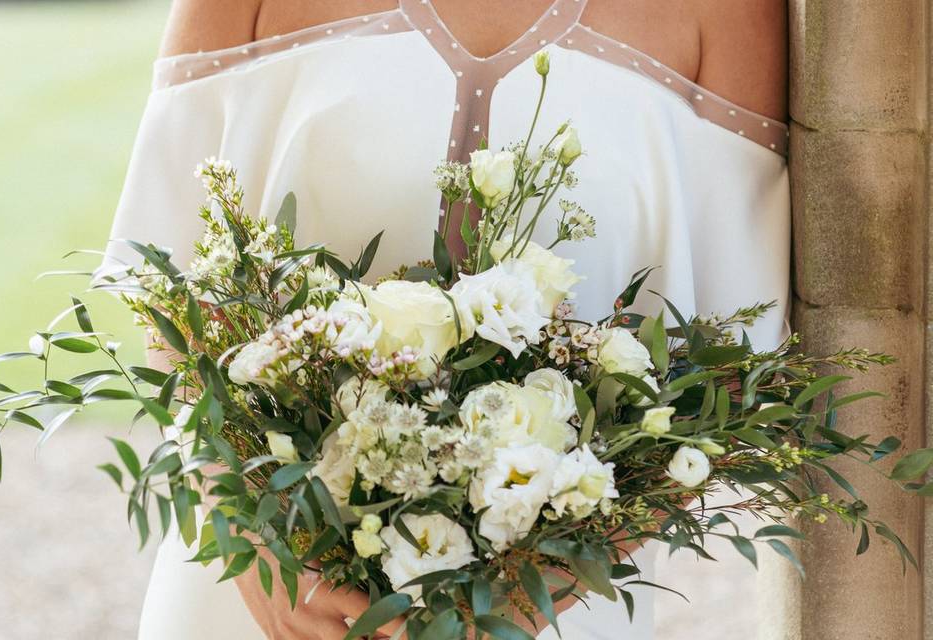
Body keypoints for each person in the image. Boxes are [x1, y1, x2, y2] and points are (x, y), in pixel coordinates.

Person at [106, 1, 789, 638]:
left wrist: (551, 577)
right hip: (271, 593)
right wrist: (247, 528)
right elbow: (172, 293)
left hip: (548, 611)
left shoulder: (726, 12)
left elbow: (729, 369)